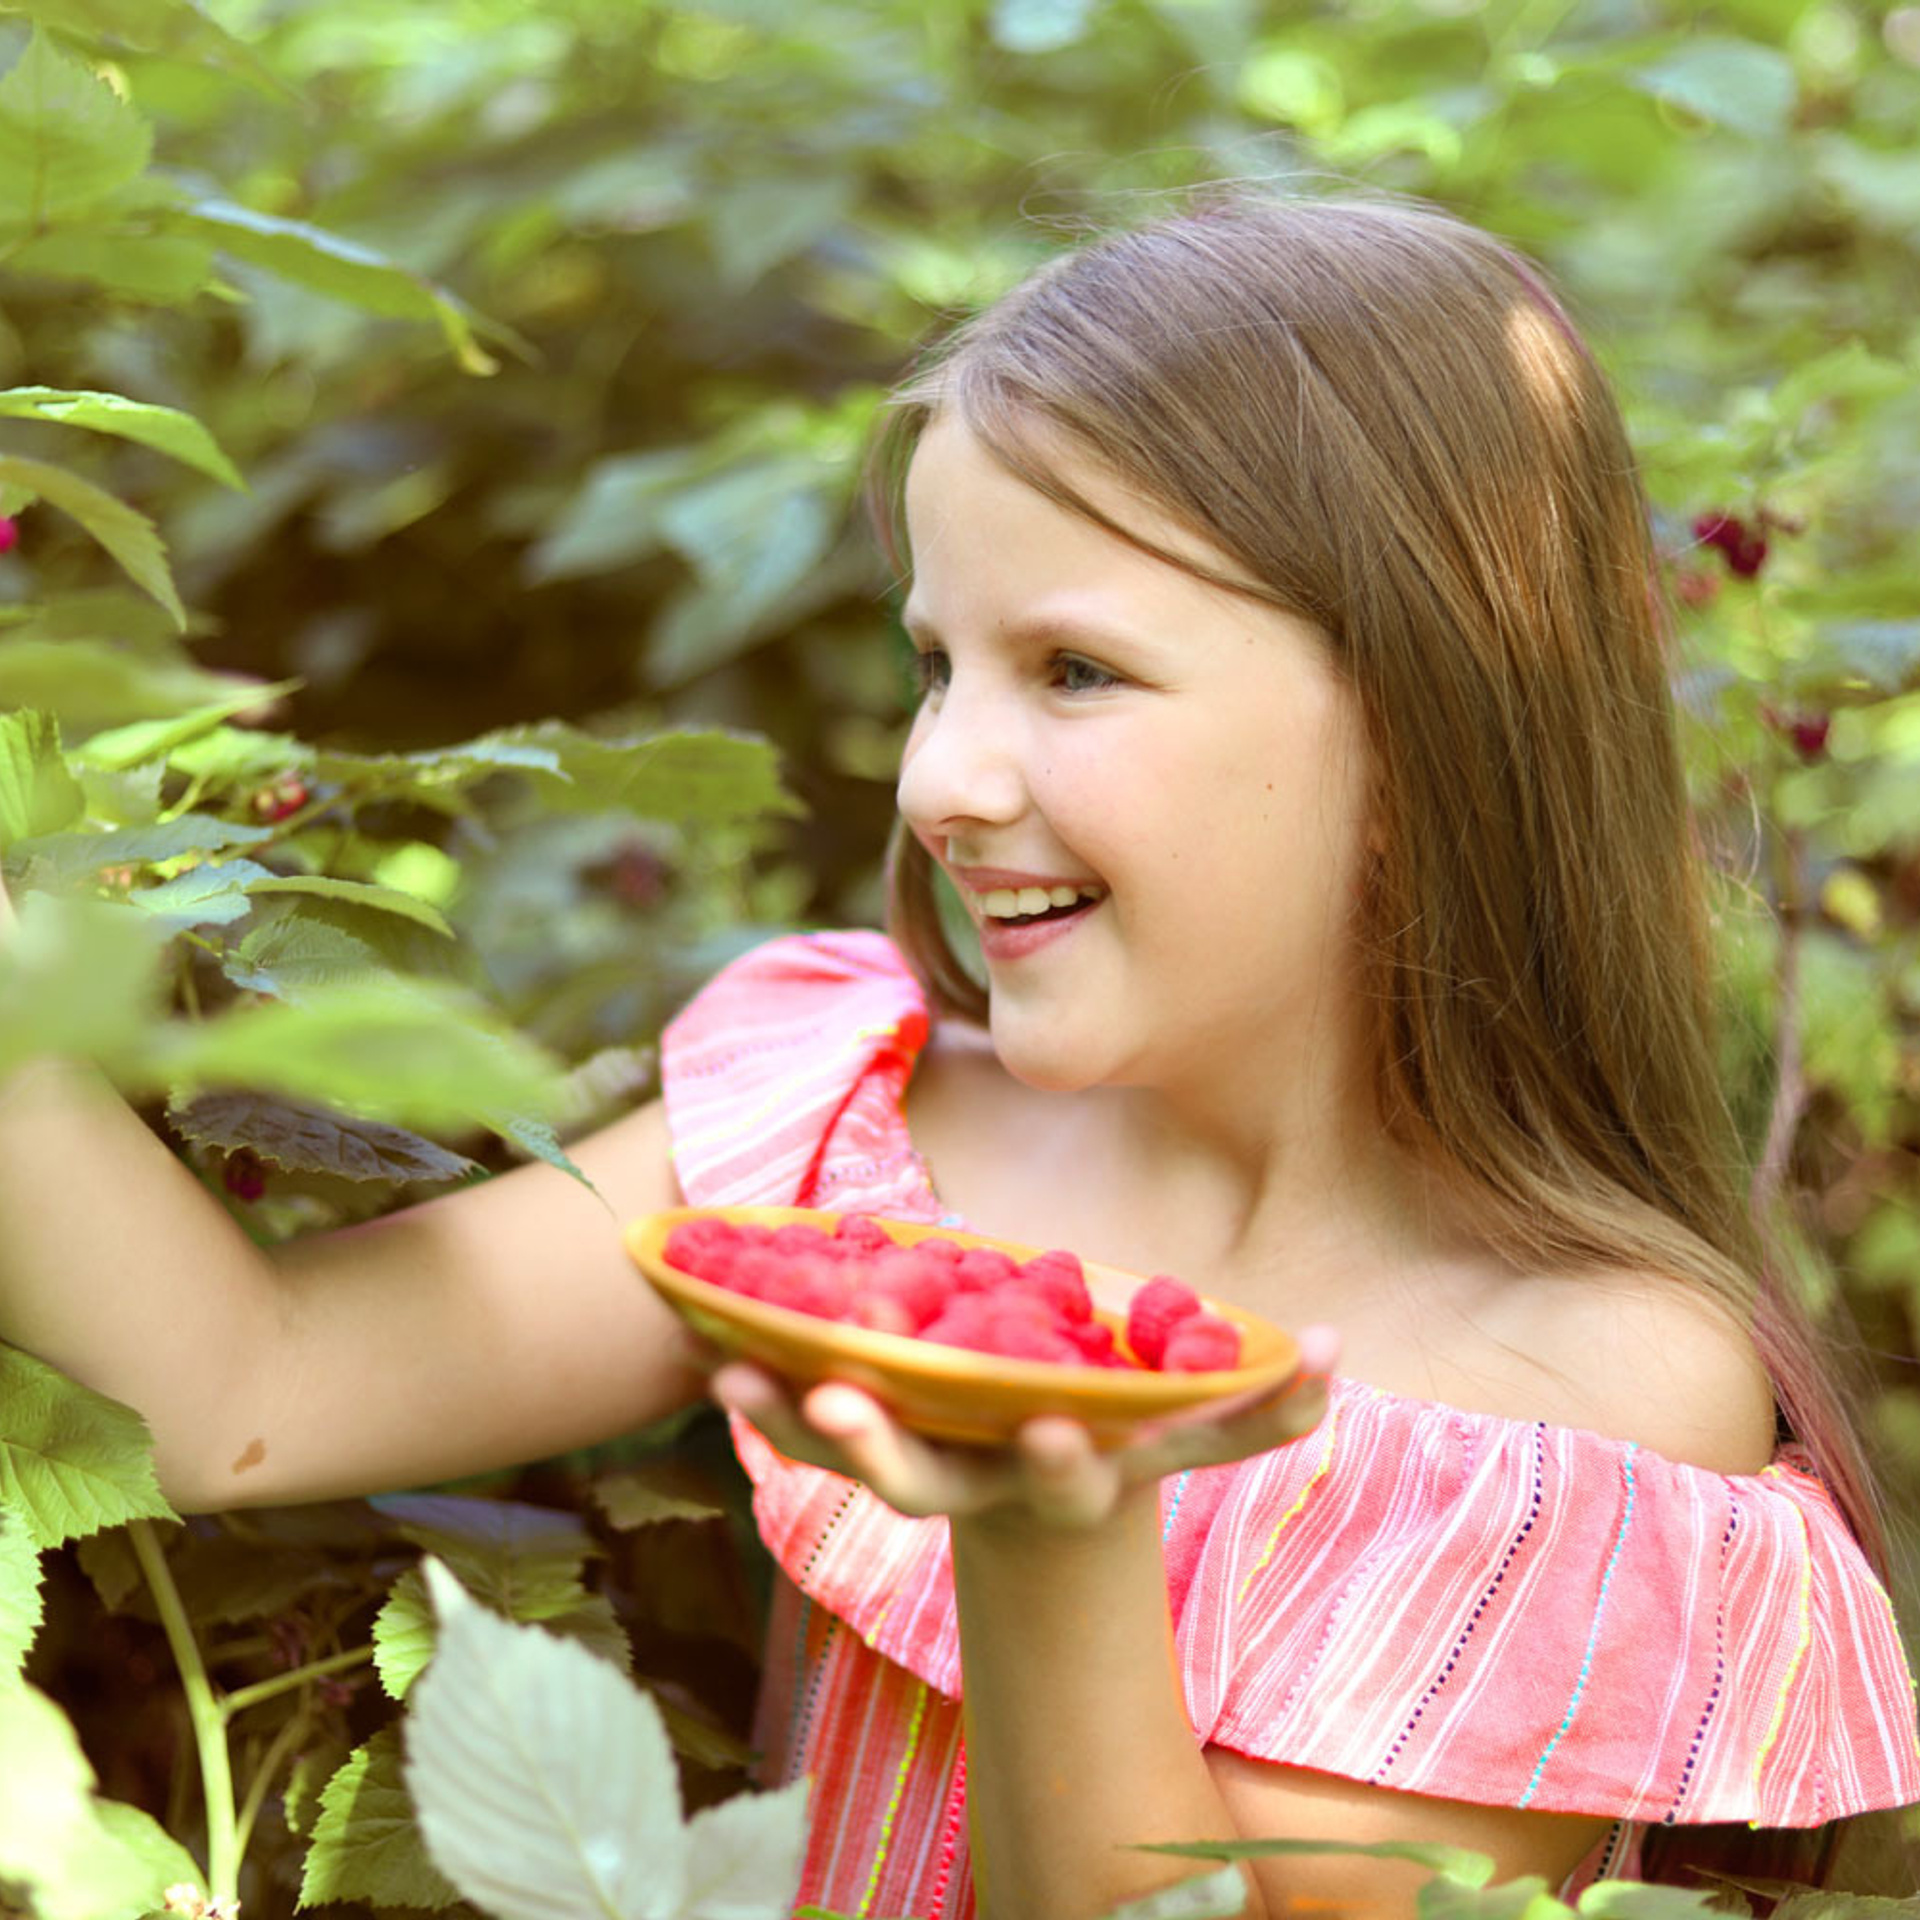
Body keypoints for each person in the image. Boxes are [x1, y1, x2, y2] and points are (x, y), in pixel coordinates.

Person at [2, 188, 1916, 1919]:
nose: (940, 779)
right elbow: (241, 1387)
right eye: (937, 665)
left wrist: (1045, 1542)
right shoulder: (866, 1130)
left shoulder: (1583, 1398)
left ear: (1428, 724)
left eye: (1075, 669)